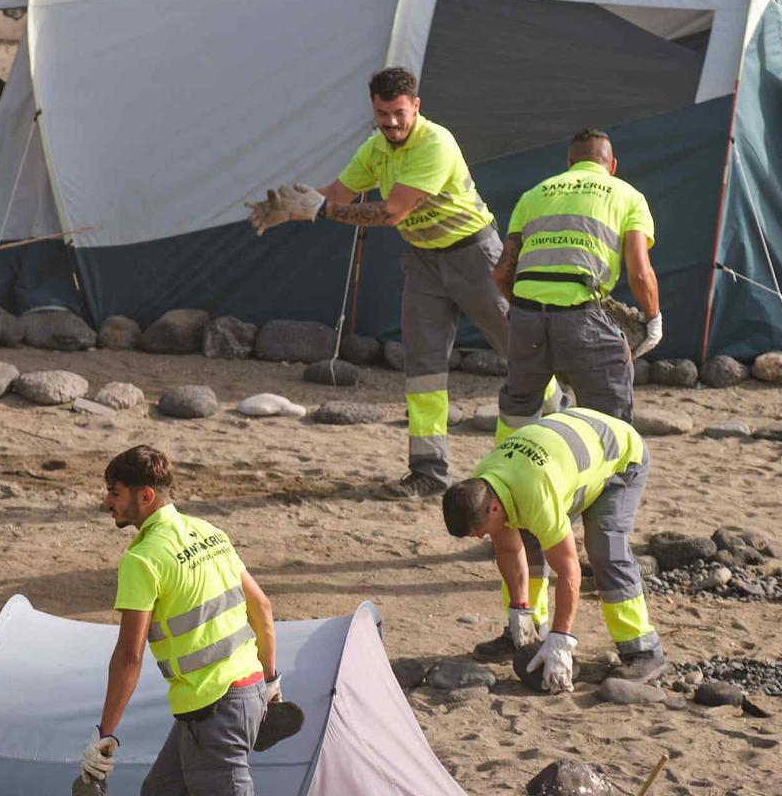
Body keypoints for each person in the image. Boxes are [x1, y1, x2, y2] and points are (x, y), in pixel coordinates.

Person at [245, 66, 555, 497]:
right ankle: (429, 471)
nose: (390, 122)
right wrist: (291, 208)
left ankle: (561, 424)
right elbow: (338, 193)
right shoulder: (376, 148)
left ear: (416, 107)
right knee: (423, 367)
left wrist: (321, 210)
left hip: (474, 254)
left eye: (398, 112)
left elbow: (392, 213)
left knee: (518, 347)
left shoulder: (436, 143)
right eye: (381, 113)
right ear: (372, 110)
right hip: (423, 261)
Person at [80, 445, 303, 796]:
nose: (107, 503)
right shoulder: (211, 534)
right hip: (242, 695)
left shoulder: (142, 560)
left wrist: (104, 736)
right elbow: (263, 609)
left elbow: (128, 657)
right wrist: (271, 686)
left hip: (214, 712)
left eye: (114, 494)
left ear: (145, 496)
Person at [440, 407, 665, 683]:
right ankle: (528, 634)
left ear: (494, 509)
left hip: (620, 456)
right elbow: (510, 549)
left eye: (479, 532)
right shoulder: (484, 483)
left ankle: (643, 650)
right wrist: (519, 610)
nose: (480, 538)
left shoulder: (537, 494)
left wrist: (561, 641)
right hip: (567, 445)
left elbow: (569, 569)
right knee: (528, 538)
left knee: (605, 549)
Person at [493, 129, 661, 431]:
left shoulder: (533, 194)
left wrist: (527, 308)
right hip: (582, 317)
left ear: (569, 162)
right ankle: (607, 479)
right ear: (612, 166)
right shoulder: (628, 196)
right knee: (609, 422)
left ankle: (503, 476)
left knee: (518, 411)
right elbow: (640, 273)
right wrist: (653, 319)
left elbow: (502, 273)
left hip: (525, 318)